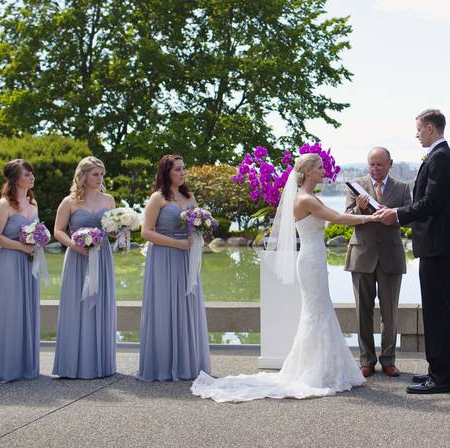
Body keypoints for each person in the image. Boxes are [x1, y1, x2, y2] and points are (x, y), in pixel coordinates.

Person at [191, 153, 382, 402]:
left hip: (315, 258)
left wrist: (363, 211)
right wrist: (371, 217)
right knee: (317, 312)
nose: (324, 171)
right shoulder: (305, 199)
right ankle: (316, 371)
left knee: (320, 310)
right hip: (311, 260)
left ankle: (324, 368)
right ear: (309, 171)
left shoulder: (311, 197)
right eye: (320, 167)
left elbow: (333, 216)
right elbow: (336, 218)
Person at [378, 109, 450, 395]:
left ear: (430, 128)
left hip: (437, 245)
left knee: (438, 312)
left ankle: (441, 378)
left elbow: (431, 203)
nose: (416, 134)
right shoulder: (441, 156)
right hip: (438, 244)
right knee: (443, 309)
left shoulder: (441, 158)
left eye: (418, 129)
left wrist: (398, 215)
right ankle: (444, 371)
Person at [137, 155, 211, 381]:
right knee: (164, 306)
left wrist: (200, 234)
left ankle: (187, 363)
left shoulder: (189, 196)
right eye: (178, 169)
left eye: (183, 169)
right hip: (164, 257)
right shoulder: (157, 198)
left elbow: (195, 226)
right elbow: (145, 232)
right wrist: (178, 243)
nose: (182, 173)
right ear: (166, 172)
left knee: (186, 304)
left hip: (186, 259)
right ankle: (162, 364)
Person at [344, 147, 412, 378]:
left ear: (390, 164)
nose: (375, 168)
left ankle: (389, 360)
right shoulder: (355, 187)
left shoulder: (403, 189)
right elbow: (347, 217)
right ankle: (366, 360)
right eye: (371, 164)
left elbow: (408, 220)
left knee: (390, 313)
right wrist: (360, 208)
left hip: (391, 257)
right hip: (361, 256)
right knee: (362, 312)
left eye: (379, 164)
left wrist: (393, 214)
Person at [52, 156, 117, 379]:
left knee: (100, 304)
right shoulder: (69, 201)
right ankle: (73, 364)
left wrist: (120, 230)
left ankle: (100, 363)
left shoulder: (109, 200)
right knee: (76, 305)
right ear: (83, 176)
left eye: (101, 174)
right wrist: (74, 245)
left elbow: (112, 229)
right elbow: (58, 230)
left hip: (102, 256)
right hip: (77, 257)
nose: (100, 178)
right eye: (95, 174)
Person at [0, 159, 42, 383]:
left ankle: (23, 365)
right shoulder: (3, 204)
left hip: (28, 263)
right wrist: (21, 246)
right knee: (9, 311)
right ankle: (4, 367)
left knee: (26, 309)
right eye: (27, 174)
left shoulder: (33, 203)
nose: (31, 177)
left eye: (31, 174)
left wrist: (38, 241)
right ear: (15, 179)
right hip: (9, 261)